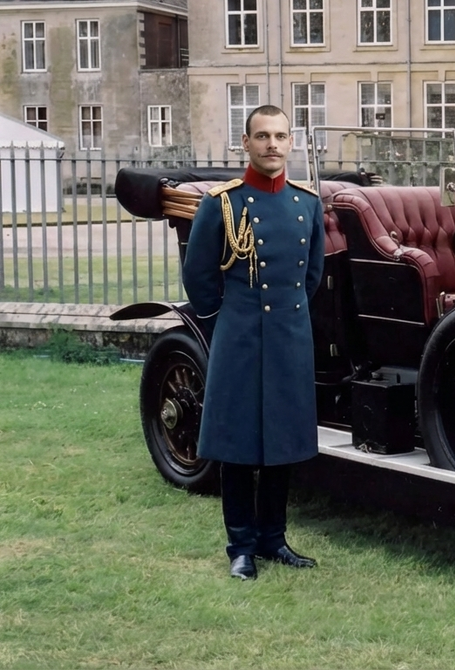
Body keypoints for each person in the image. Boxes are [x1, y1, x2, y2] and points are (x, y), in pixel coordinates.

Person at [182, 105, 325, 580]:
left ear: (291, 143)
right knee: (239, 444)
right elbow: (199, 275)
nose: (273, 145)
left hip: (289, 336)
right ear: (245, 143)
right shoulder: (222, 203)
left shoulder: (307, 203)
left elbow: (312, 275)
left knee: (282, 440)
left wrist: (286, 316)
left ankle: (273, 538)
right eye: (262, 136)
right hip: (240, 336)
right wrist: (230, 319)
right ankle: (240, 546)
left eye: (281, 136)